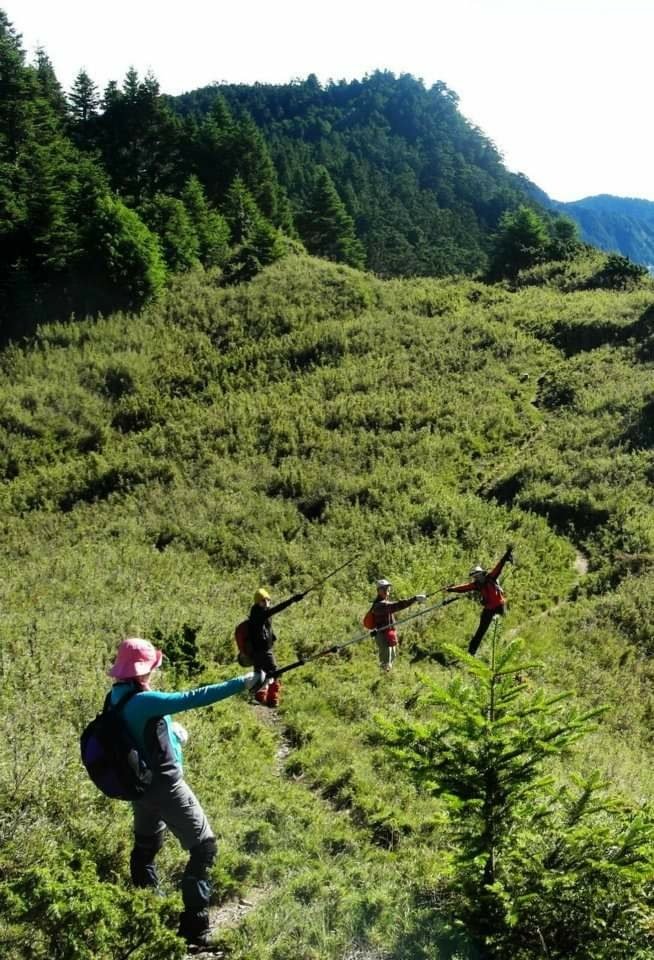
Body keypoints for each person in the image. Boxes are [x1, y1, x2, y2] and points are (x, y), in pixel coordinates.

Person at [107, 636, 265, 949]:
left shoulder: (117, 697)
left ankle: (148, 910)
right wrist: (244, 682)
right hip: (166, 787)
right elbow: (194, 696)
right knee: (203, 848)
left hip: (139, 788)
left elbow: (140, 733)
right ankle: (195, 932)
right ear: (143, 669)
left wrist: (173, 735)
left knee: (145, 846)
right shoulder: (144, 701)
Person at [445, 545, 514, 655]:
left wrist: (506, 556)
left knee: (500, 626)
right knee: (481, 630)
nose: (477, 578)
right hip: (488, 608)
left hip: (499, 605)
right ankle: (472, 651)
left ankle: (500, 647)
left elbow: (498, 567)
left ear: (482, 574)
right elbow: (464, 587)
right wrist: (451, 589)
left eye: (478, 575)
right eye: (475, 577)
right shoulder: (476, 585)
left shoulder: (491, 577)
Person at [247, 586, 306, 706]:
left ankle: (258, 697)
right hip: (263, 650)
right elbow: (276, 609)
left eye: (267, 600)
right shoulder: (259, 613)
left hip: (257, 650)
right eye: (263, 600)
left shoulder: (257, 612)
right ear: (258, 602)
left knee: (260, 673)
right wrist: (292, 600)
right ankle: (272, 699)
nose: (267, 602)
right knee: (275, 672)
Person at [368, 578, 426, 671]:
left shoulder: (385, 602)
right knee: (385, 660)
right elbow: (396, 606)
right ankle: (384, 678)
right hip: (382, 635)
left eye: (388, 588)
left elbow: (394, 605)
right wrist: (414, 599)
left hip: (389, 633)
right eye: (384, 588)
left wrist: (415, 599)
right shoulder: (379, 605)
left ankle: (388, 676)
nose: (387, 590)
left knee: (392, 657)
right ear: (379, 591)